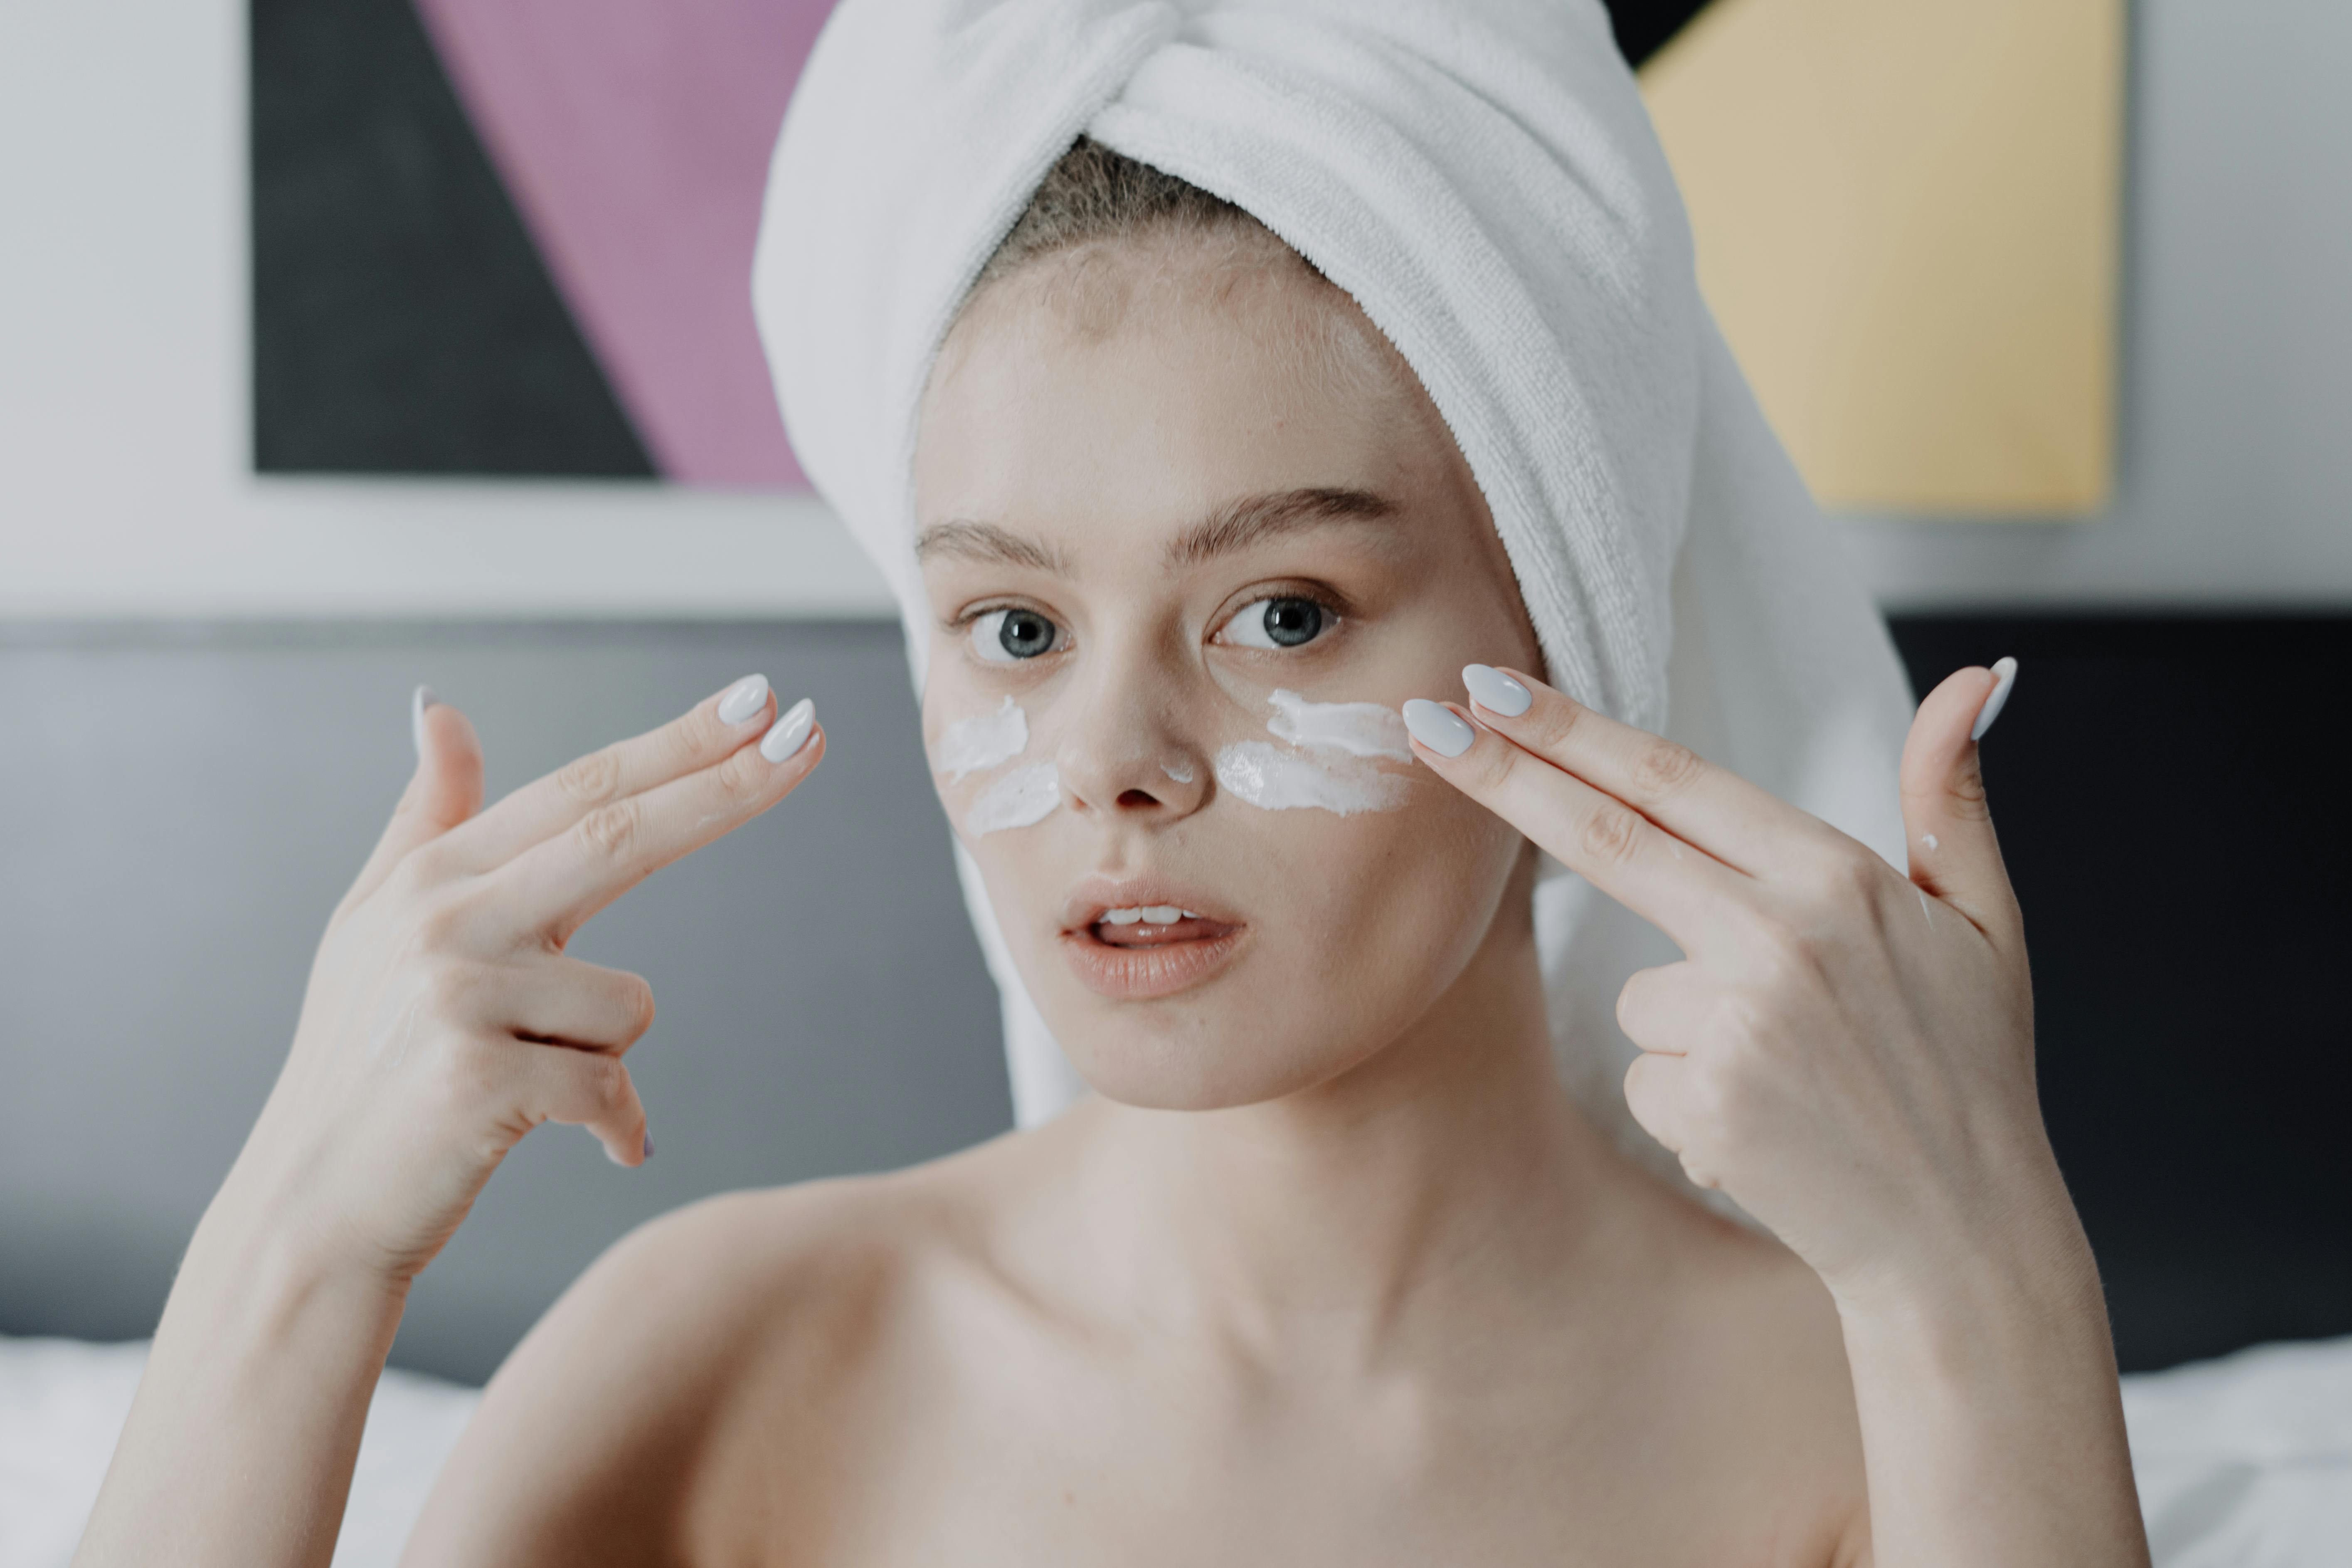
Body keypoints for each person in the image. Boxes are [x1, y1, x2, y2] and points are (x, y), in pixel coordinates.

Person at [75, 3, 2150, 1564]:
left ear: (1572, 629)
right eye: (1015, 630)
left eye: (1280, 614)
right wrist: (293, 1251)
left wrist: (1983, 1275)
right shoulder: (724, 1358)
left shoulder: (1877, 1403)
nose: (1112, 769)